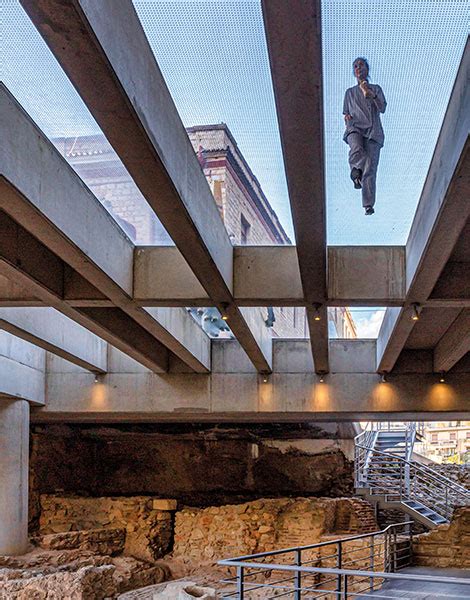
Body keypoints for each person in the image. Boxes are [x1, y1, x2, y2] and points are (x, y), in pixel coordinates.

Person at [343, 57, 386, 215]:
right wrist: (347, 119)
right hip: (355, 128)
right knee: (356, 149)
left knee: (370, 169)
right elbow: (346, 113)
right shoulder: (349, 93)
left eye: (361, 65)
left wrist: (371, 95)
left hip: (373, 132)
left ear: (367, 69)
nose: (358, 68)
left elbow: (382, 108)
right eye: (355, 66)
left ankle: (368, 205)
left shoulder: (376, 88)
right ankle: (355, 171)